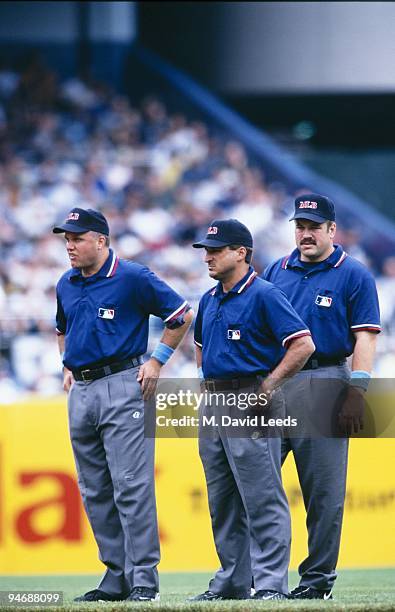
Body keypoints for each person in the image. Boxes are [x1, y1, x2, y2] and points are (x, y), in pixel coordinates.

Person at [53, 207, 193, 603]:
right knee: (94, 490)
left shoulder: (131, 276)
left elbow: (180, 314)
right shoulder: (66, 282)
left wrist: (157, 360)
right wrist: (66, 364)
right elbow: (61, 328)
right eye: (67, 238)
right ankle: (116, 576)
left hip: (123, 384)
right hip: (81, 390)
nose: (70, 245)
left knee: (131, 486)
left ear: (101, 240)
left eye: (77, 238)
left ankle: (143, 578)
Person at [254, 193, 381, 599]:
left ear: (331, 230)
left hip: (326, 379)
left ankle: (316, 582)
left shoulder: (354, 274)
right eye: (300, 227)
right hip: (274, 381)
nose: (305, 234)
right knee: (256, 482)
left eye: (313, 227)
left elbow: (364, 336)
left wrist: (357, 391)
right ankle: (265, 579)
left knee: (323, 494)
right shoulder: (277, 269)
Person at [190, 219, 315, 601]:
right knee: (222, 500)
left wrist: (268, 387)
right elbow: (199, 347)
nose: (208, 257)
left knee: (262, 497)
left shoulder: (264, 293)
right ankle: (232, 582)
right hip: (214, 400)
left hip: (250, 398)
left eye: (216, 249)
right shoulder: (209, 298)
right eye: (207, 250)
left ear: (241, 252)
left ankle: (271, 584)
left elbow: (303, 345)